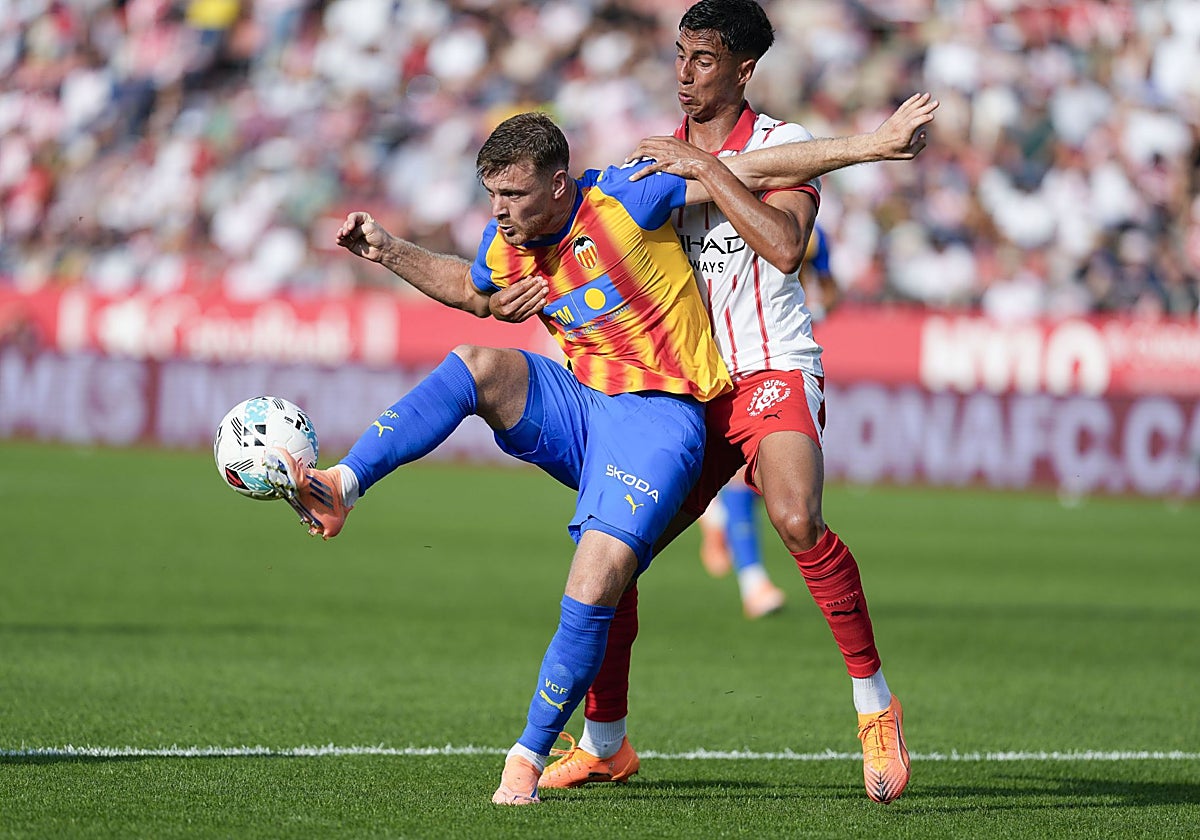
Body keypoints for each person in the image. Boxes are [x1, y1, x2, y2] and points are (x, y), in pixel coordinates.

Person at [262, 102, 930, 805]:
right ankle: (343, 482)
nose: (499, 211)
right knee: (477, 364)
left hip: (659, 421)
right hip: (585, 406)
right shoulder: (509, 243)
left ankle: (528, 758)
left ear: (558, 185)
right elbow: (472, 289)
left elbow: (754, 168)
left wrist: (876, 145)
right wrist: (387, 250)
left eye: (513, 195)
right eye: (492, 195)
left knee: (599, 580)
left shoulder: (625, 195)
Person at [489, 0, 935, 806]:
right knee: (614, 559)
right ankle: (606, 745)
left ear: (743, 69)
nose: (685, 73)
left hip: (771, 364)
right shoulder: (652, 158)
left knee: (797, 515)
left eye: (702, 59)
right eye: (680, 55)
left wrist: (708, 171)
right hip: (685, 390)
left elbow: (786, 246)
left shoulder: (780, 146)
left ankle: (875, 705)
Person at [697, 223, 838, 617]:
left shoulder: (807, 228)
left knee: (773, 478)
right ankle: (753, 582)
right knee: (745, 473)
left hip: (786, 353)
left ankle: (718, 517)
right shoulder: (718, 221)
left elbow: (828, 285)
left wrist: (820, 305)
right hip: (728, 355)